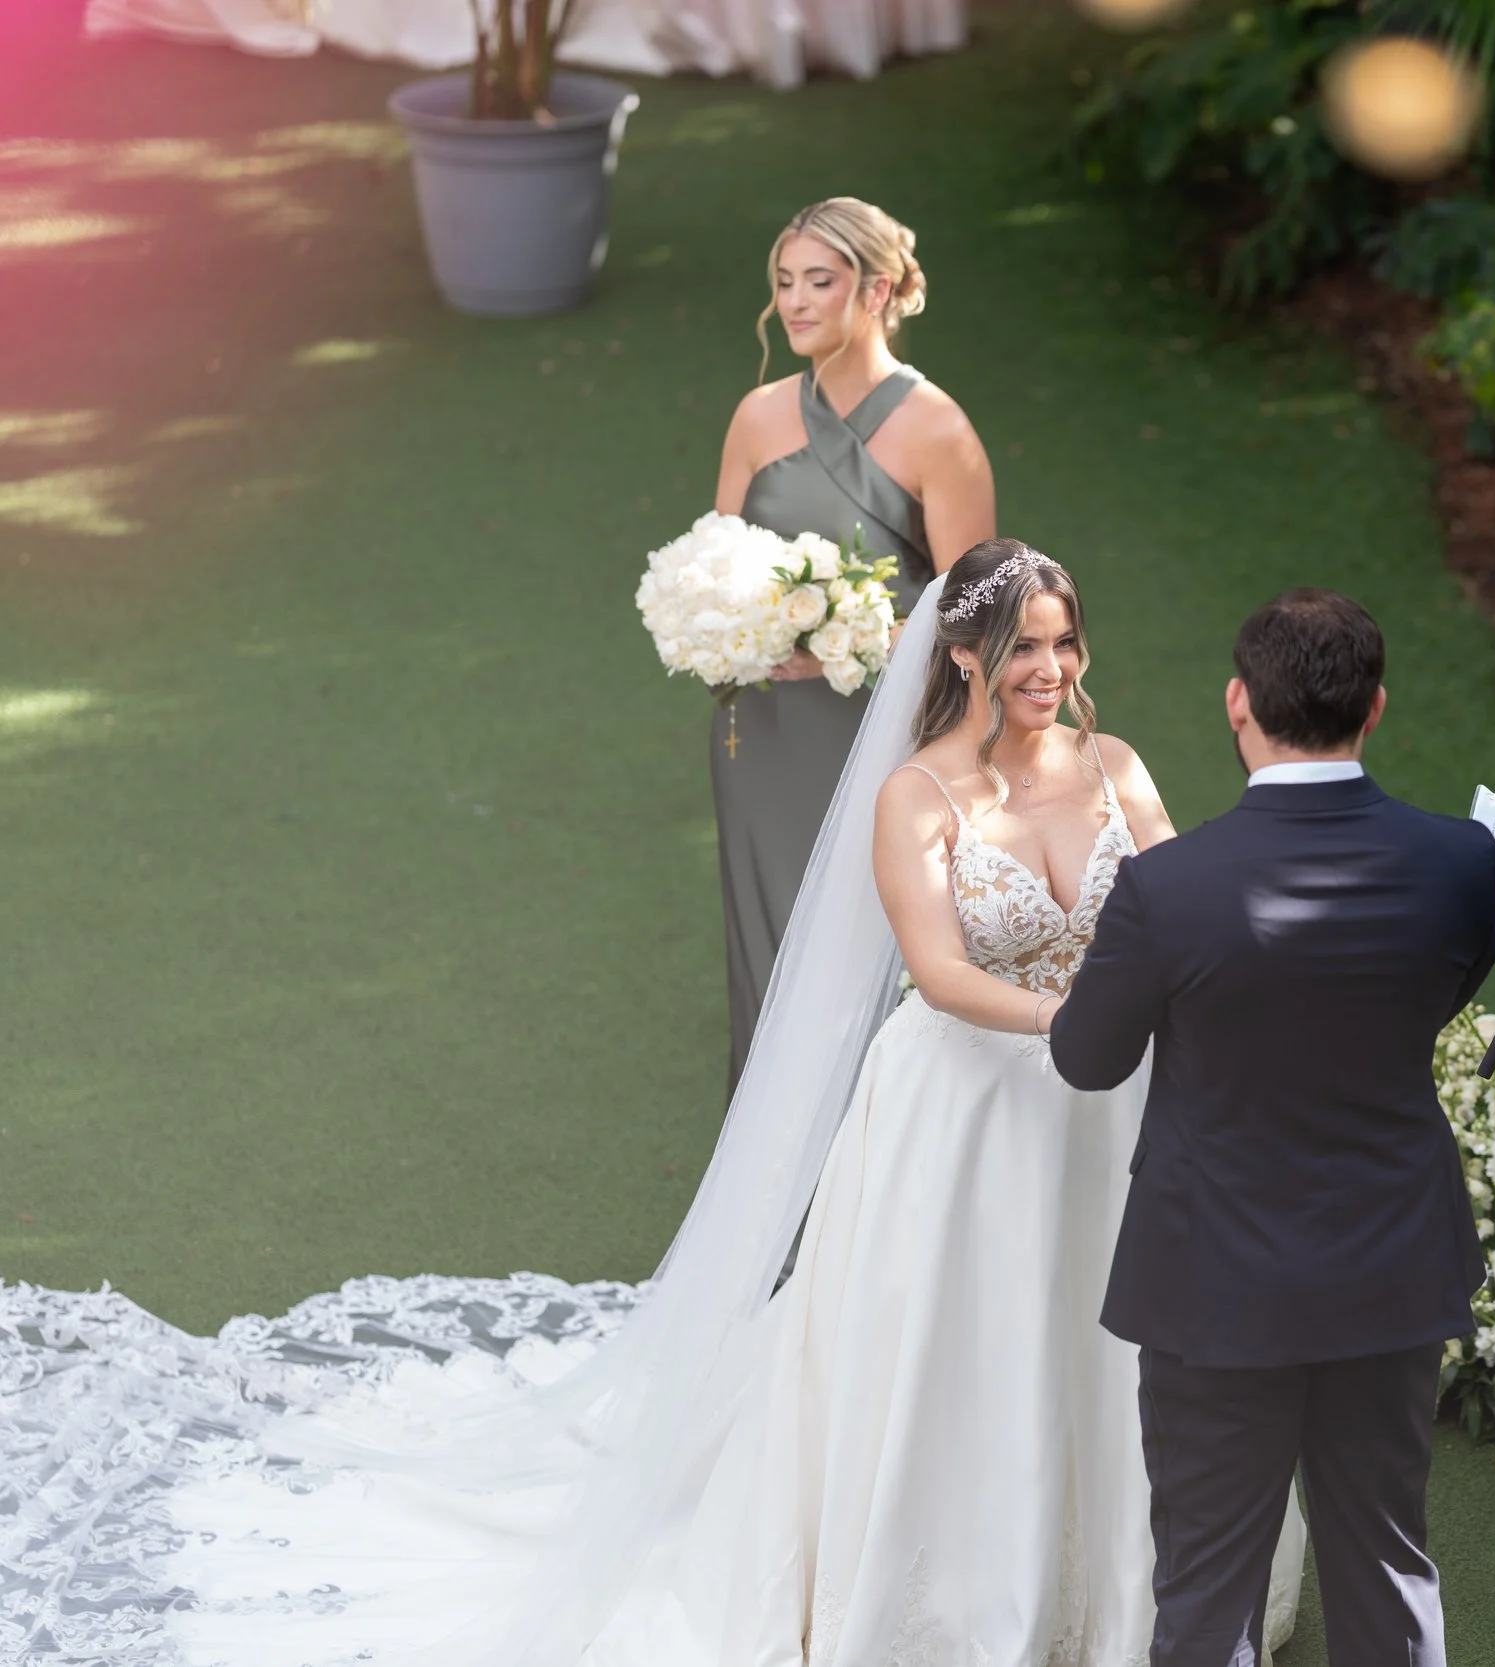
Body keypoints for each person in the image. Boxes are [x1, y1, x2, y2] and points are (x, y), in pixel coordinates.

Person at [13, 543, 1300, 1664]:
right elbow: (939, 967)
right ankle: (968, 1605)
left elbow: (1181, 897)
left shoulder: (1114, 761)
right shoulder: (919, 795)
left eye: (1064, 641)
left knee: (1109, 1335)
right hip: (969, 1114)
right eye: (1024, 644)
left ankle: (1131, 1593)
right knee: (966, 1341)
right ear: (966, 657)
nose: (1050, 666)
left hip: (1113, 1106)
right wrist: (1070, 1020)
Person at [1051, 588, 1495, 1667]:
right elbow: (1444, 989)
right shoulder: (1460, 861)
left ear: (1237, 703)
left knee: (1207, 1588)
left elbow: (1086, 1055)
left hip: (1215, 1276)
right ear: (1376, 707)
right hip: (1389, 1265)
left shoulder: (1166, 887)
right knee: (1387, 1561)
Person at [709, 195, 997, 1088]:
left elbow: (982, 612)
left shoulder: (939, 431)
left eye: (819, 282)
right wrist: (731, 626)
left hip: (884, 737)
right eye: (784, 283)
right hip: (763, 735)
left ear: (877, 291)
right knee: (773, 933)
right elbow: (716, 565)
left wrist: (857, 640)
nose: (795, 302)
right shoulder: (757, 417)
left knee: (868, 950)